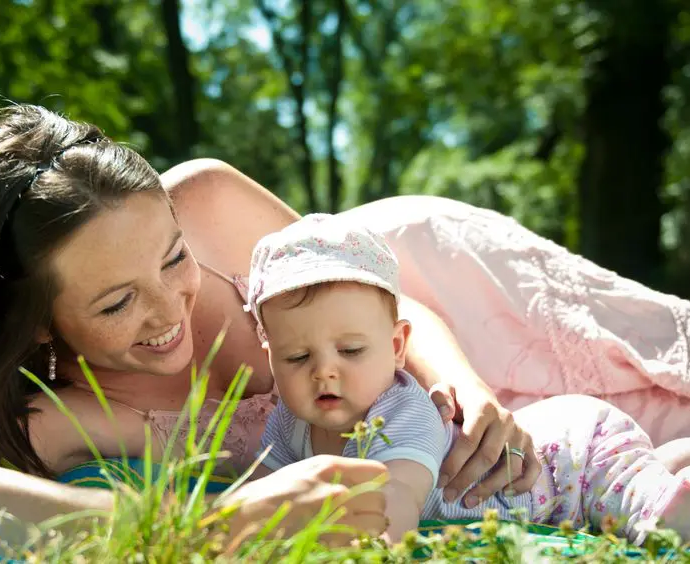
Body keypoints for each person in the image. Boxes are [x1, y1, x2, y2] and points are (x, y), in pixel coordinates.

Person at [0, 103, 686, 549]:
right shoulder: (71, 409)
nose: (171, 309)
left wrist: (457, 383)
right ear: (34, 326)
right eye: (114, 304)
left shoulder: (206, 200)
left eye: (171, 260)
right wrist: (211, 529)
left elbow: (379, 300)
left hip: (437, 294)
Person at [247, 214, 690, 544]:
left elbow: (396, 499)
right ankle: (667, 461)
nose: (324, 370)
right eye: (297, 356)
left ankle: (663, 489)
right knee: (640, 477)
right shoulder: (289, 421)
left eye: (352, 351)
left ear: (398, 346)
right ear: (272, 359)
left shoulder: (401, 410)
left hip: (571, 460)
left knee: (655, 520)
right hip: (563, 450)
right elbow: (259, 490)